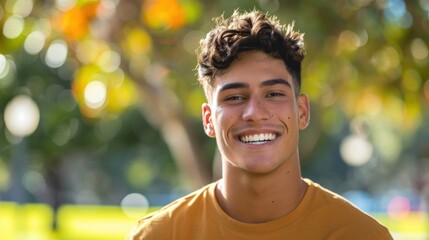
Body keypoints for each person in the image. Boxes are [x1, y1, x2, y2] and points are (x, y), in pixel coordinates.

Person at [128, 9, 393, 239]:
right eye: (234, 97)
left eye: (274, 94)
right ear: (209, 120)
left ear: (301, 111)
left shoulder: (361, 235)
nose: (254, 113)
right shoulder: (157, 235)